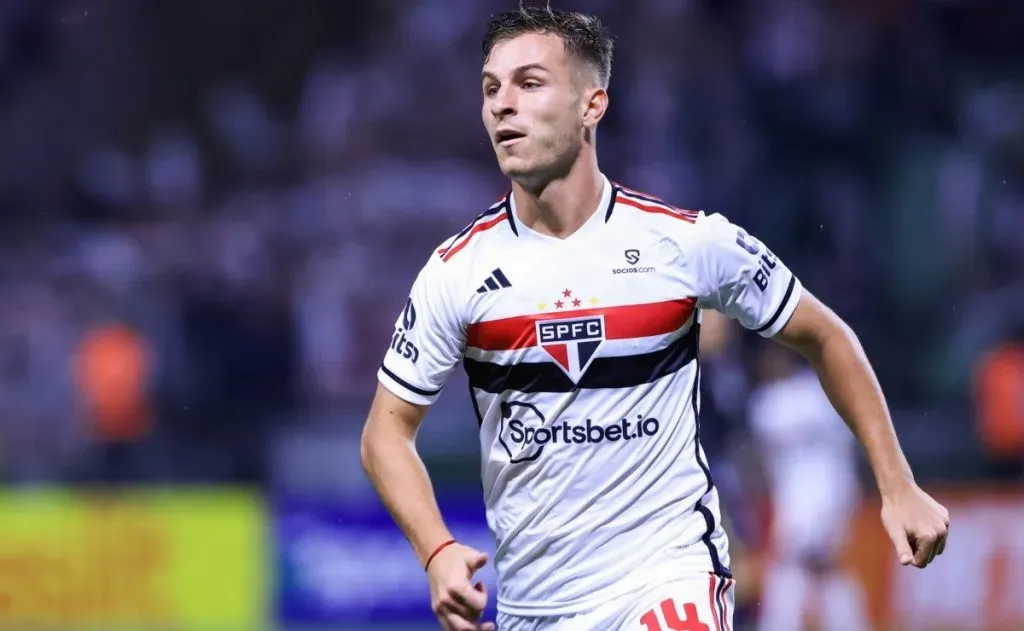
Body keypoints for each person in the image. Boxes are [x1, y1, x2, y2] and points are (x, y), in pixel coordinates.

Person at [360, 7, 950, 631]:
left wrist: (898, 485)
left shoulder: (686, 244)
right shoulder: (457, 272)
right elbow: (384, 436)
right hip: (537, 606)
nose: (502, 104)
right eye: (490, 88)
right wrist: (437, 550)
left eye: (529, 83)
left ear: (593, 105)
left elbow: (825, 335)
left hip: (667, 578)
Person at [748, 344, 869, 631]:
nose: (769, 363)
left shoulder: (820, 393)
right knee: (807, 567)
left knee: (811, 566)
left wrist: (846, 495)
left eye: (774, 357)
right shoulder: (765, 402)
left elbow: (845, 449)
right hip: (794, 499)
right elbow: (763, 462)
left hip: (829, 493)